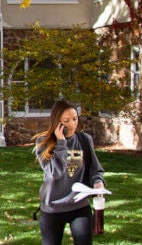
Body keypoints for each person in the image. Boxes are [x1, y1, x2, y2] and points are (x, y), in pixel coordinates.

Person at [33, 99, 106, 245]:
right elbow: (55, 173)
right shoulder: (44, 143)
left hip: (79, 205)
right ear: (57, 122)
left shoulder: (85, 140)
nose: (72, 124)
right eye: (66, 120)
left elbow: (95, 169)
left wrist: (98, 182)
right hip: (52, 208)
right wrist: (61, 143)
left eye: (75, 119)